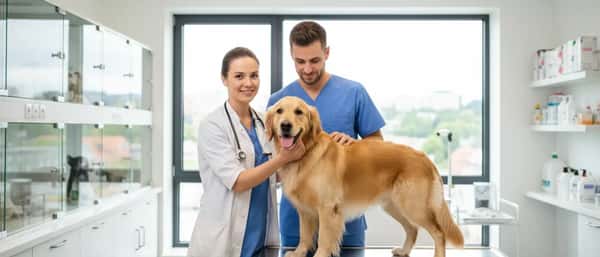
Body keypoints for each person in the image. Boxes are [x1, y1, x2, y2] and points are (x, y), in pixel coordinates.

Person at [268, 21, 386, 248]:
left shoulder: (354, 92)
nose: (308, 69)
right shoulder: (279, 103)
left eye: (315, 60)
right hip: (295, 226)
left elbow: (378, 142)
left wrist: (355, 144)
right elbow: (273, 161)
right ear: (291, 56)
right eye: (299, 62)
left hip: (346, 223)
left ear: (327, 53)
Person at [187, 47, 305, 257]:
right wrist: (283, 159)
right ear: (224, 79)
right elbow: (238, 181)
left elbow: (273, 175)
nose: (248, 83)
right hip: (223, 240)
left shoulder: (264, 121)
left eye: (254, 76)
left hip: (260, 239)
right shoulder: (213, 125)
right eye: (239, 76)